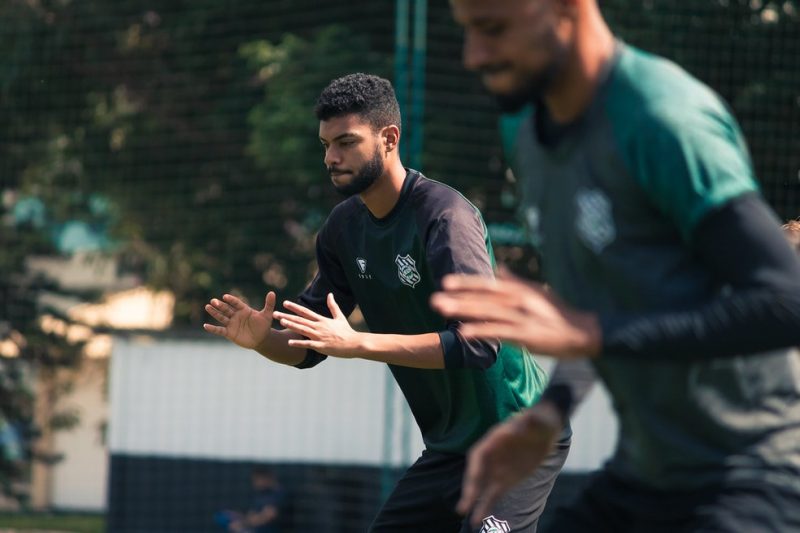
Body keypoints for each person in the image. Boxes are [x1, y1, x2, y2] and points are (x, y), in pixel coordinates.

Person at [430, 1, 800, 531]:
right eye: (467, 31)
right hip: (645, 475)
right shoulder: (527, 136)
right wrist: (548, 412)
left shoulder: (661, 117)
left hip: (749, 477)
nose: (473, 55)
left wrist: (595, 332)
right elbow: (596, 309)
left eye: (493, 29)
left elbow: (784, 302)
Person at [204, 73, 569, 533]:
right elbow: (310, 346)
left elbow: (480, 345)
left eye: (345, 142)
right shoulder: (341, 230)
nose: (331, 158)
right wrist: (264, 341)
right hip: (451, 450)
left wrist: (361, 344)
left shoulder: (444, 217)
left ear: (389, 138)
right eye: (325, 145)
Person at [215, 466, 285, 533]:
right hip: (251, 525)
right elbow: (251, 513)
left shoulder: (277, 494)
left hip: (263, 529)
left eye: (257, 480)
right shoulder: (261, 494)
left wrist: (243, 523)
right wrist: (238, 516)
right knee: (222, 517)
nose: (255, 483)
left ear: (265, 478)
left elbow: (268, 516)